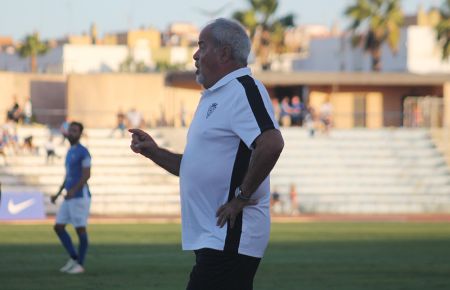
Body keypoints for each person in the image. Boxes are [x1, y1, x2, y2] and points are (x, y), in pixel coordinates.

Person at [129, 18, 284, 290]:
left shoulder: (243, 89)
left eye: (202, 46)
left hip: (231, 236)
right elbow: (194, 167)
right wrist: (154, 152)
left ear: (224, 52)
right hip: (214, 236)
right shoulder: (214, 97)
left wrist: (241, 198)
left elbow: (271, 143)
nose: (195, 54)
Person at [51, 122, 92, 274]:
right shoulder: (69, 151)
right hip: (69, 197)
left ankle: (80, 264)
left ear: (80, 134)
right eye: (70, 130)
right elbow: (68, 176)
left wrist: (74, 190)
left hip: (80, 197)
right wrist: (57, 193)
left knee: (80, 229)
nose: (71, 133)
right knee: (58, 227)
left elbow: (87, 174)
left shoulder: (83, 152)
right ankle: (74, 258)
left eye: (75, 131)